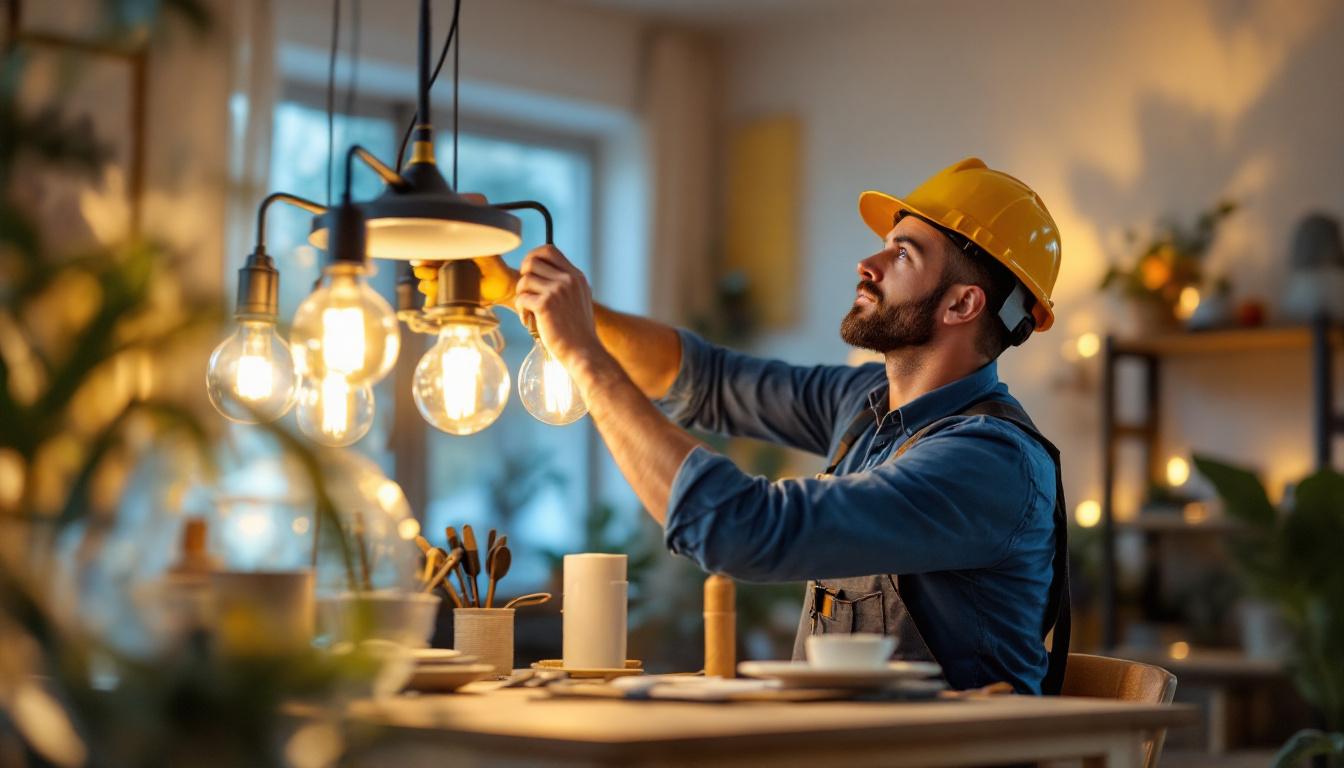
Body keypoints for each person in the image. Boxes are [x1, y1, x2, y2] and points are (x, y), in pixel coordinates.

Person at [417, 157, 1069, 694]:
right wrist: (517, 296)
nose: (867, 264)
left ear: (962, 302)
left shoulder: (988, 463)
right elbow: (704, 379)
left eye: (902, 253)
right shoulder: (869, 408)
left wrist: (583, 353)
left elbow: (742, 529)